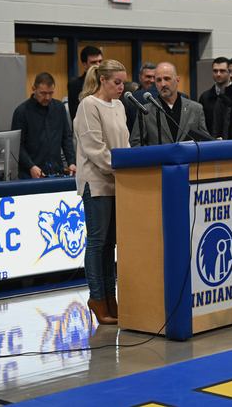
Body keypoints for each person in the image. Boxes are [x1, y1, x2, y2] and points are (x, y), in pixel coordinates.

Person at [73, 60, 130, 325]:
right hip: (96, 181)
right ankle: (97, 297)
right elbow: (94, 147)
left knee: (110, 244)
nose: (121, 87)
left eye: (123, 83)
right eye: (117, 82)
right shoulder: (88, 105)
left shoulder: (119, 106)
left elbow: (124, 143)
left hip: (118, 180)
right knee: (97, 242)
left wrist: (130, 167)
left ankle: (110, 296)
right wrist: (119, 168)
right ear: (103, 80)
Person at [11, 72, 76, 178]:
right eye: (43, 93)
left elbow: (66, 138)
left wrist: (71, 162)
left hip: (56, 171)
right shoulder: (21, 112)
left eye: (51, 93)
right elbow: (18, 146)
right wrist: (31, 166)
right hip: (30, 173)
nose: (47, 97)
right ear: (34, 89)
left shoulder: (59, 108)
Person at [130, 62, 210, 146]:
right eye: (158, 80)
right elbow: (136, 143)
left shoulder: (195, 109)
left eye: (167, 79)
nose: (163, 84)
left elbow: (205, 141)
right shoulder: (145, 111)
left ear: (177, 80)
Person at [68, 46, 103, 120]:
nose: (98, 65)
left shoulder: (106, 82)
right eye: (93, 62)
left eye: (100, 61)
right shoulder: (75, 84)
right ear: (84, 64)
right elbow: (75, 114)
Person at [198, 56, 230, 134]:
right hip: (211, 139)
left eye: (222, 71)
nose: (218, 74)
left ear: (230, 72)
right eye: (215, 71)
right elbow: (201, 124)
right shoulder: (205, 97)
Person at [124, 62, 158, 132]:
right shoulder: (131, 97)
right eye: (148, 77)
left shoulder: (162, 96)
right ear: (140, 77)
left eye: (154, 77)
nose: (152, 80)